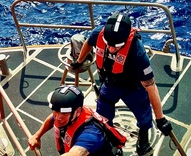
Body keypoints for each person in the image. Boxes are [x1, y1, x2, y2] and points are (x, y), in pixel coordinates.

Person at [70, 13, 172, 156]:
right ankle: (108, 139)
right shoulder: (98, 33)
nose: (111, 49)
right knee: (102, 114)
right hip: (110, 82)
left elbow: (151, 87)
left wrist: (160, 119)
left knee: (143, 114)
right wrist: (79, 60)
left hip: (133, 88)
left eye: (116, 46)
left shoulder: (137, 53)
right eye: (108, 44)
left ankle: (143, 138)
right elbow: (88, 42)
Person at [28, 85, 124, 156]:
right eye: (55, 111)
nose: (58, 117)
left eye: (64, 114)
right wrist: (37, 136)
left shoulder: (91, 134)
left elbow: (76, 154)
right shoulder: (69, 115)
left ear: (77, 111)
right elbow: (52, 118)